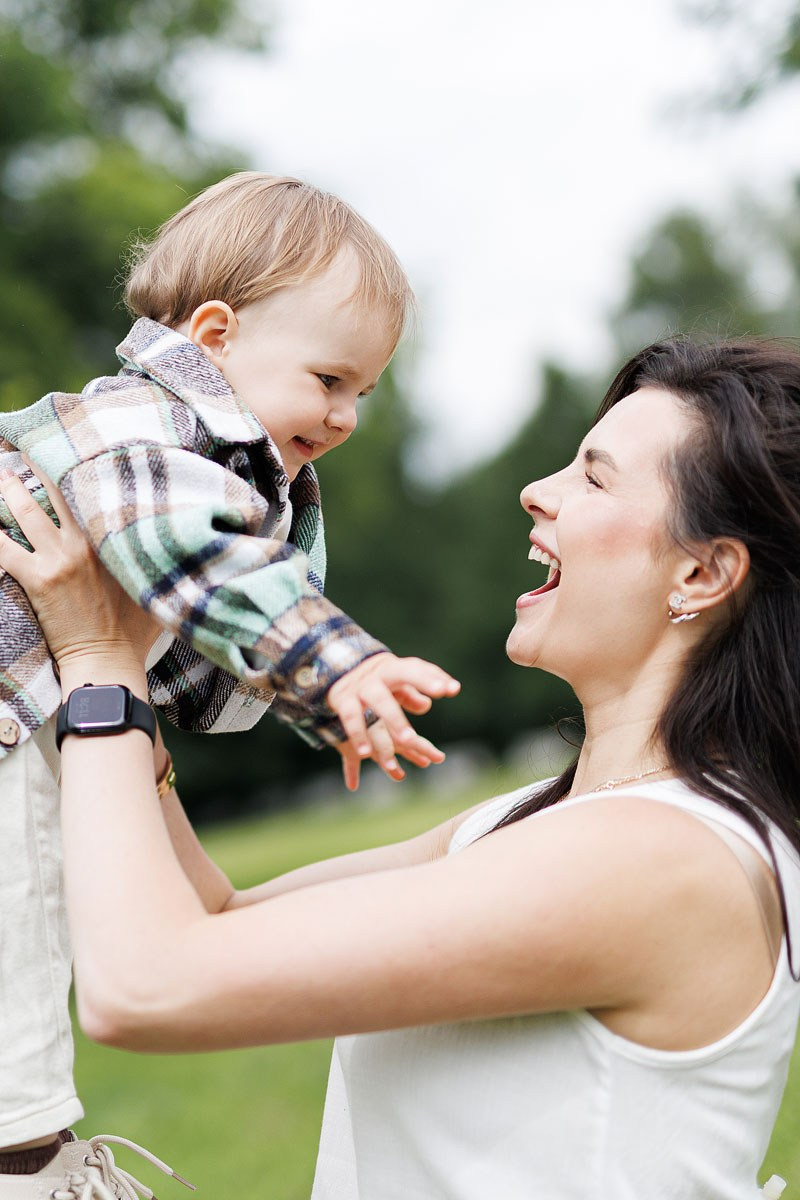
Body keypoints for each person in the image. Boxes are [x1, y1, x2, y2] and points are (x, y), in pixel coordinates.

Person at [1, 335, 799, 1199]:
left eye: (595, 476)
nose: (538, 490)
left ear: (703, 571)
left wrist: (96, 663)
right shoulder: (536, 819)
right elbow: (214, 913)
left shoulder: (662, 860)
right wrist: (125, 659)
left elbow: (145, 989)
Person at [0, 173, 459, 1188]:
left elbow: (205, 642)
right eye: (330, 379)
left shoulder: (240, 464)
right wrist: (344, 666)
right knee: (16, 946)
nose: (344, 416)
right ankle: (23, 1163)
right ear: (212, 336)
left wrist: (331, 704)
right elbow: (204, 567)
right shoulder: (137, 435)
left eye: (364, 393)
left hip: (40, 720)